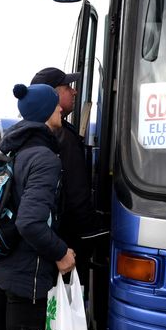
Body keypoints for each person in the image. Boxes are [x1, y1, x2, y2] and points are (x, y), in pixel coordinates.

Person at [0, 83, 77, 330]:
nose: (61, 110)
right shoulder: (44, 157)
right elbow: (31, 223)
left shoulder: (12, 148)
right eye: (56, 107)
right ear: (43, 113)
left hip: (2, 265)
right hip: (27, 273)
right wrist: (61, 253)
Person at [30, 67, 102, 289]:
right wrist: (91, 235)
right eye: (68, 87)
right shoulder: (63, 137)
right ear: (52, 94)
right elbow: (76, 192)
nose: (75, 92)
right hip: (65, 242)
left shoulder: (36, 133)